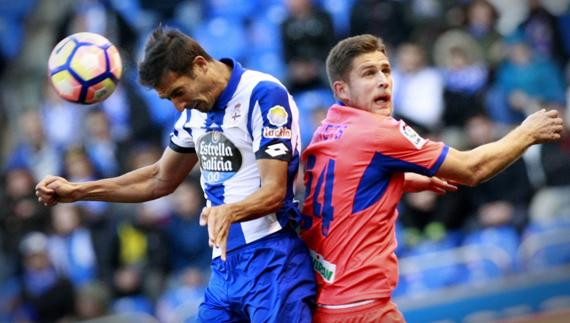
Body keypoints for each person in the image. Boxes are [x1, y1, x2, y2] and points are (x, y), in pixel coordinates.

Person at [35, 25, 316, 322]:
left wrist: (230, 212)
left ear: (200, 64)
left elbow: (274, 190)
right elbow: (159, 179)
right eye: (169, 99)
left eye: (179, 93)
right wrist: (78, 191)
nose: (179, 107)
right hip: (224, 266)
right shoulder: (194, 114)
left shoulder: (262, 94)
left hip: (272, 260)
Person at [299, 34, 563, 322]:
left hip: (328, 303)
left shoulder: (327, 130)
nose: (383, 80)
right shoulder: (378, 131)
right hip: (363, 308)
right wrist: (527, 133)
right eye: (368, 73)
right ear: (342, 90)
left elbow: (343, 188)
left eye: (386, 70)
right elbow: (472, 169)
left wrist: (401, 181)